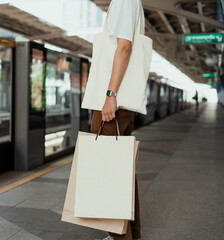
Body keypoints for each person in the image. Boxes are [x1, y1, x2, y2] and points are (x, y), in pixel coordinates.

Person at [92, 0, 145, 239]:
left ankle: (118, 236)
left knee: (107, 173)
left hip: (115, 100)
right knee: (121, 170)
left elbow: (124, 47)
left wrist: (110, 95)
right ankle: (130, 234)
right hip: (121, 100)